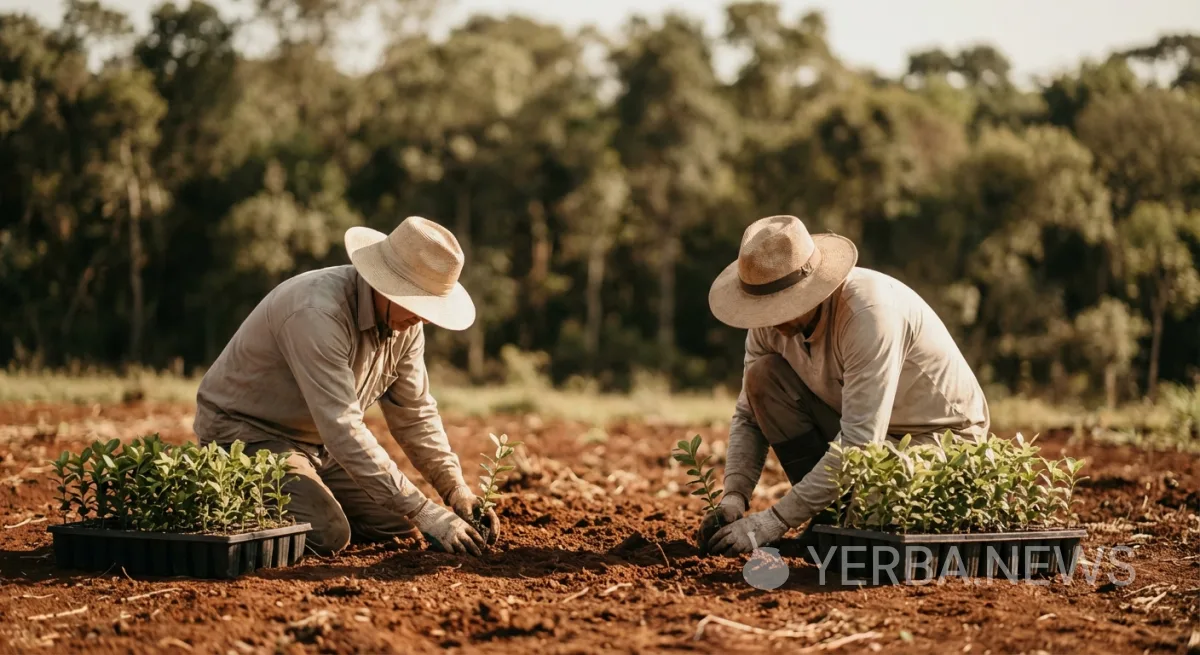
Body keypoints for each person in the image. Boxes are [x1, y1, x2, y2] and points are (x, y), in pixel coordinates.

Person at [193, 216, 496, 557]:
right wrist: (424, 509)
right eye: (417, 303)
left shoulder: (405, 324)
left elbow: (415, 412)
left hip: (319, 443)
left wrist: (455, 489)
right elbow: (343, 427)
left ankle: (308, 490)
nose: (423, 318)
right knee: (328, 534)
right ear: (385, 283)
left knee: (394, 525)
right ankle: (223, 491)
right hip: (247, 435)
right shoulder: (317, 312)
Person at [700, 215, 990, 556]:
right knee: (761, 377)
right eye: (762, 308)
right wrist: (734, 496)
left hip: (941, 442)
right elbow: (749, 415)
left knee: (880, 509)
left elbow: (858, 445)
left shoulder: (869, 314)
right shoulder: (768, 322)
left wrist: (775, 520)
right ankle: (830, 519)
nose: (770, 319)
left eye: (779, 306)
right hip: (862, 433)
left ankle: (841, 522)